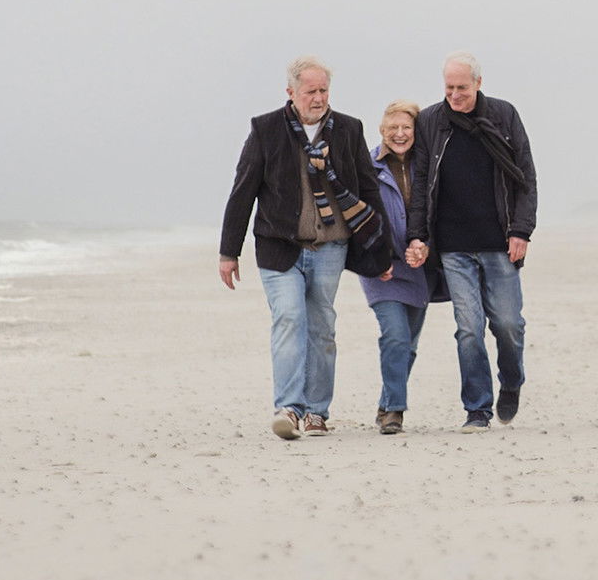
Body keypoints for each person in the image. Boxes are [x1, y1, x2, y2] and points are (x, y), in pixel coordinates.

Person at [219, 56, 388, 440]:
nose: (318, 98)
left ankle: (317, 412)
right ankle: (288, 408)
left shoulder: (347, 129)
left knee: (322, 328)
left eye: (323, 90)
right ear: (291, 93)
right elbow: (243, 190)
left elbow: (368, 189)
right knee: (290, 319)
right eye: (310, 91)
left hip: (331, 247)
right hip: (279, 246)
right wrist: (229, 252)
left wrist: (382, 249)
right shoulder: (265, 130)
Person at [406, 51, 537, 433]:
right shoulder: (431, 120)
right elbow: (420, 182)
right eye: (449, 87)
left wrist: (521, 231)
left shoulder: (503, 115)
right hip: (453, 246)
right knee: (468, 328)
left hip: (500, 241)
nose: (455, 95)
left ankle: (511, 383)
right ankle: (477, 409)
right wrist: (419, 234)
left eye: (462, 88)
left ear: (478, 83)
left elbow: (525, 176)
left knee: (508, 325)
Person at [358, 101, 446, 435]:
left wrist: (426, 247)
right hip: (382, 267)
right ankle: (395, 410)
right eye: (392, 128)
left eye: (406, 128)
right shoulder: (366, 166)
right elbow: (356, 218)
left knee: (407, 344)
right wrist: (373, 259)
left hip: (419, 266)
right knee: (394, 335)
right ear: (381, 131)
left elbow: (439, 215)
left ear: (416, 132)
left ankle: (386, 402)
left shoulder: (428, 168)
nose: (399, 134)